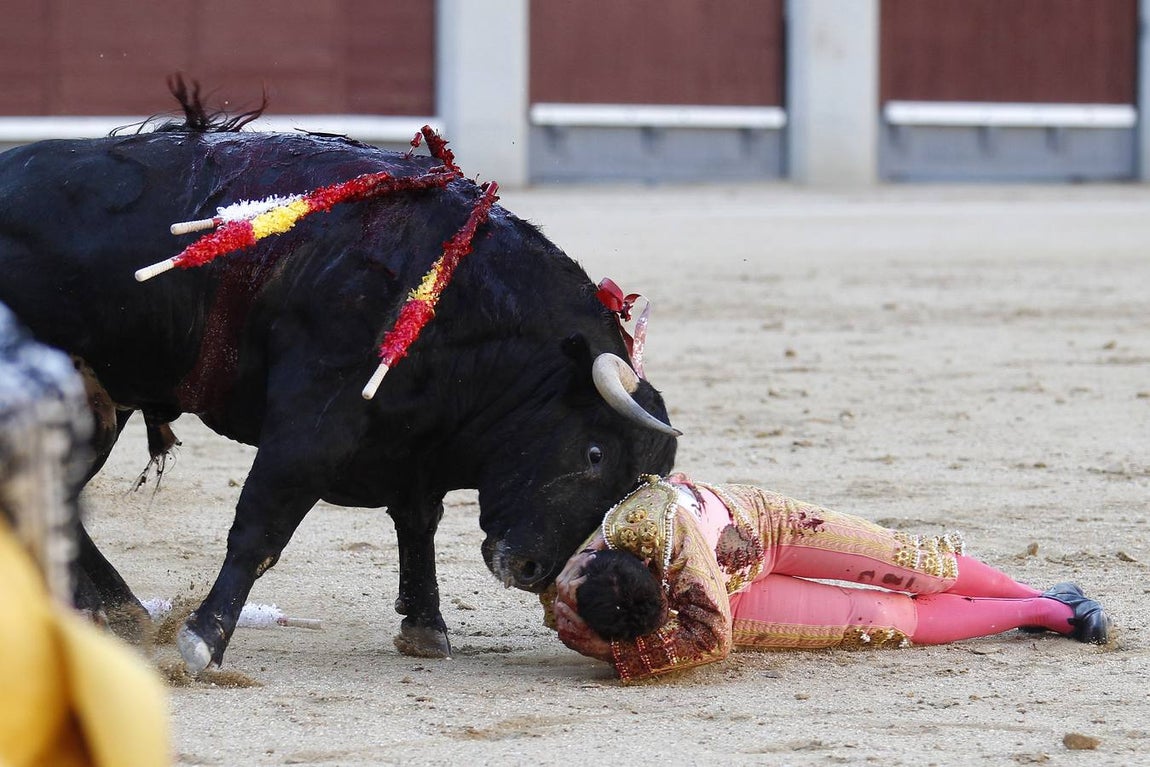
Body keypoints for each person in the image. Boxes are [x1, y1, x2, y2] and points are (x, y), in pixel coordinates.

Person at [543, 473, 1111, 683]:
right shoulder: (585, 561)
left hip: (771, 529)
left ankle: (1035, 593)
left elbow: (711, 637)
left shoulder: (679, 550)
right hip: (736, 597)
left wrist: (616, 657)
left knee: (913, 566)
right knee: (885, 622)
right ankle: (1046, 611)